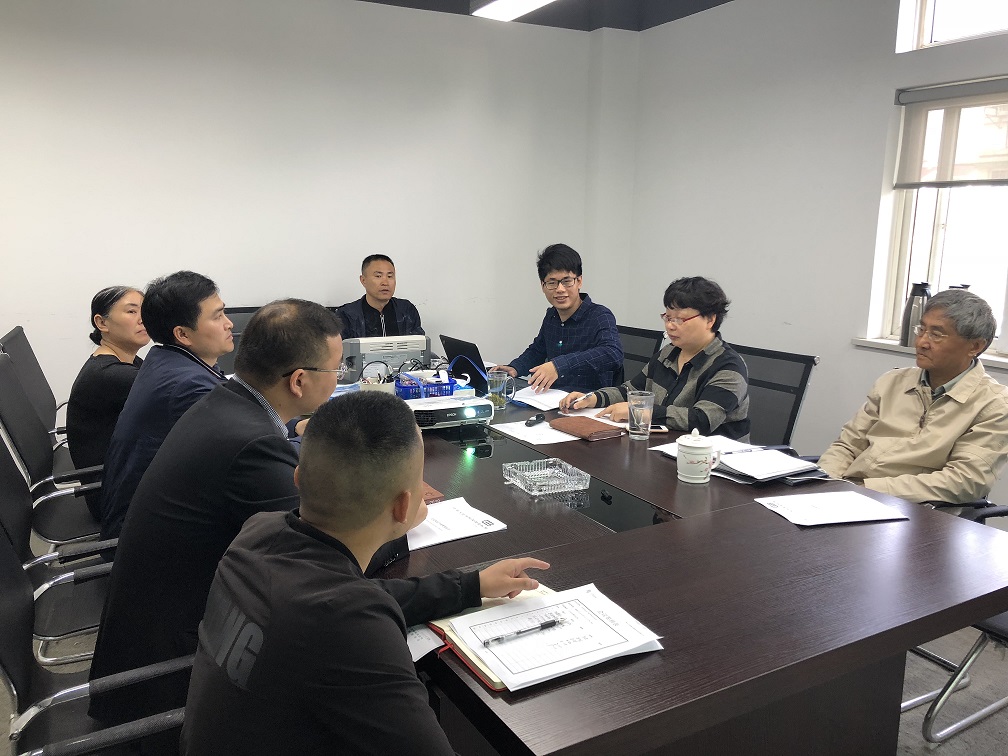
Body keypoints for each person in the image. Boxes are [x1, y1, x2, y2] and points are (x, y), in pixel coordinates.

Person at [88, 300, 411, 752]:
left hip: (158, 635)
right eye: (337, 370)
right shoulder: (253, 444)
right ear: (299, 381)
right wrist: (401, 519)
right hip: (184, 672)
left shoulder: (226, 403)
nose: (339, 379)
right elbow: (333, 557)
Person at [179, 391, 548, 755]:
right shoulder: (348, 625)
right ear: (404, 507)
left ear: (298, 477)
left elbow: (357, 599)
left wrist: (471, 585)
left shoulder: (260, 532)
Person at [819, 289, 1008, 504]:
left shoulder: (995, 405)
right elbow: (847, 445)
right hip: (848, 496)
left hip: (915, 511)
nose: (921, 342)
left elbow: (964, 481)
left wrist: (864, 490)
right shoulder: (892, 382)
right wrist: (824, 483)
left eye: (936, 334)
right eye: (922, 329)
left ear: (975, 346)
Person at [97, 271, 233, 539]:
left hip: (141, 513)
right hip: (149, 538)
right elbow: (243, 451)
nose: (229, 324)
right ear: (182, 334)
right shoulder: (188, 386)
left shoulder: (167, 358)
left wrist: (291, 425)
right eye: (217, 316)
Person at [559, 277, 750, 440]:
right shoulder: (668, 353)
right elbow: (631, 391)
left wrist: (640, 412)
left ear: (710, 319)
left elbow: (702, 420)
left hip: (716, 462)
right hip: (664, 448)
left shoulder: (728, 366)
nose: (670, 326)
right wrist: (592, 398)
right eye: (668, 317)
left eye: (680, 319)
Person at [65, 286, 150, 518]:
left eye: (145, 311)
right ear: (102, 323)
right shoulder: (111, 375)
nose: (143, 319)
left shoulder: (124, 362)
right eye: (132, 312)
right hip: (112, 496)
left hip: (117, 477)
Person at [494, 243, 623, 393]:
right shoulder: (552, 315)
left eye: (567, 281)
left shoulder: (599, 315)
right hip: (550, 398)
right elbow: (538, 350)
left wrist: (559, 366)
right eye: (552, 283)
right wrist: (515, 368)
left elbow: (613, 353)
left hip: (586, 401)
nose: (560, 289)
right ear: (543, 286)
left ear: (579, 281)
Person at [338, 254, 424, 338]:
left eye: (390, 276)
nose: (385, 283)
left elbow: (418, 344)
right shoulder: (347, 315)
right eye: (378, 276)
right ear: (363, 280)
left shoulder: (406, 310)